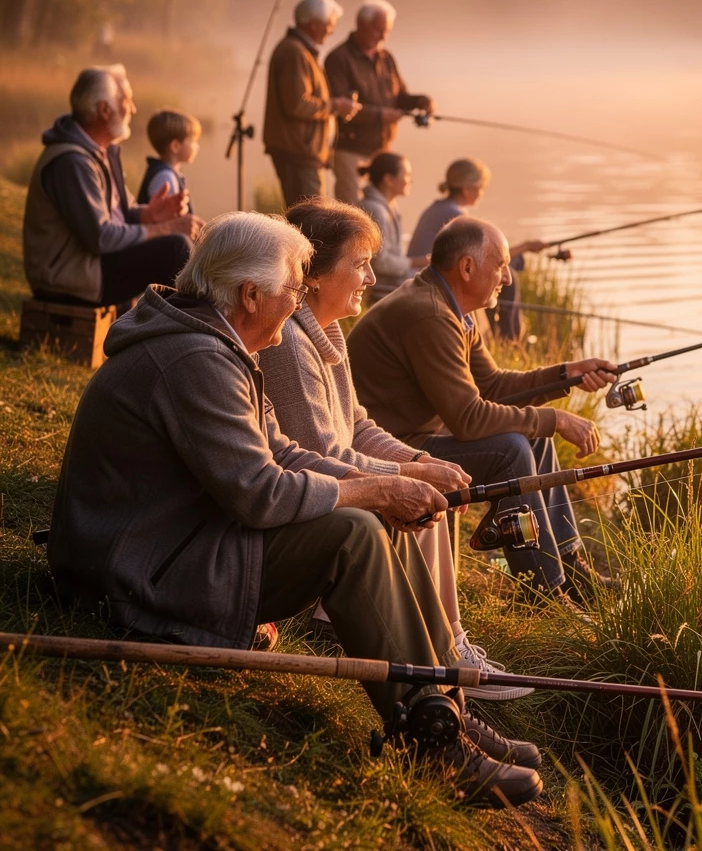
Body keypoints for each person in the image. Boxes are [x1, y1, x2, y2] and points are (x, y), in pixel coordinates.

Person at [46, 211, 542, 808]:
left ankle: (444, 706)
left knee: (377, 513)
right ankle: (431, 743)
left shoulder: (220, 343)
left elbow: (282, 450)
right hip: (138, 574)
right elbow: (260, 492)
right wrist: (378, 489)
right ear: (249, 294)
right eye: (289, 287)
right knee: (354, 533)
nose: (297, 298)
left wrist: (390, 482)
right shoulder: (195, 360)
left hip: (179, 542)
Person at [259, 197, 531, 701]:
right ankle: (442, 651)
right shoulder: (293, 347)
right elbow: (325, 454)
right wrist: (406, 475)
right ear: (313, 275)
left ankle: (447, 644)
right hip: (304, 501)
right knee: (419, 500)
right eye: (360, 264)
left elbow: (357, 425)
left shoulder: (327, 330)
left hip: (324, 485)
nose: (370, 276)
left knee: (427, 491)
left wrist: (419, 461)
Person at [347, 216, 617, 602]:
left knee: (533, 440)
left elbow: (491, 386)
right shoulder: (431, 314)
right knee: (512, 450)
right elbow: (469, 419)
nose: (506, 278)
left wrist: (566, 374)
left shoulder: (450, 305)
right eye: (501, 265)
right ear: (467, 267)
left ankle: (569, 564)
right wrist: (554, 420)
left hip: (415, 436)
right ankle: (544, 590)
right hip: (389, 448)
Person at [22, 64, 201, 307]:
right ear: (104, 110)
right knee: (175, 248)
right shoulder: (72, 162)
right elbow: (101, 237)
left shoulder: (102, 153)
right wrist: (165, 228)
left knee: (178, 246)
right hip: (69, 279)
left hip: (95, 265)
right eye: (126, 101)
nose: (133, 109)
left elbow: (122, 213)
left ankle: (176, 333)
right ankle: (190, 336)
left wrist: (147, 215)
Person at [407, 158, 550, 341]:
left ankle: (505, 337)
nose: (482, 194)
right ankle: (510, 340)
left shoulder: (438, 207)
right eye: (480, 188)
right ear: (467, 190)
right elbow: (486, 255)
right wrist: (526, 247)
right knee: (508, 277)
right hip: (426, 275)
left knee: (503, 271)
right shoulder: (456, 215)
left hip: (427, 271)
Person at [324, 0, 432, 205]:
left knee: (383, 213)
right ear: (360, 25)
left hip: (383, 152)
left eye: (387, 30)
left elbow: (400, 98)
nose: (383, 36)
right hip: (350, 151)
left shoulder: (386, 58)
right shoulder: (338, 59)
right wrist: (382, 115)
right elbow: (341, 109)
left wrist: (420, 102)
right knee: (353, 216)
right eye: (378, 29)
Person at [263, 0, 361, 207]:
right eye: (329, 24)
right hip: (297, 152)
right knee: (311, 216)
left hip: (303, 151)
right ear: (314, 25)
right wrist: (335, 106)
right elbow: (297, 104)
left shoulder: (302, 51)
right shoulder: (294, 53)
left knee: (311, 214)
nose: (332, 30)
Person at [356, 152, 427, 302]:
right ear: (388, 179)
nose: (410, 180)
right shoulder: (376, 210)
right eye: (406, 175)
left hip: (392, 282)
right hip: (380, 287)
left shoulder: (389, 206)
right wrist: (417, 262)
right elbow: (380, 263)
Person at [137, 109, 200, 212]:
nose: (197, 146)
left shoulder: (167, 173)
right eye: (193, 141)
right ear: (175, 146)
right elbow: (170, 223)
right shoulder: (165, 178)